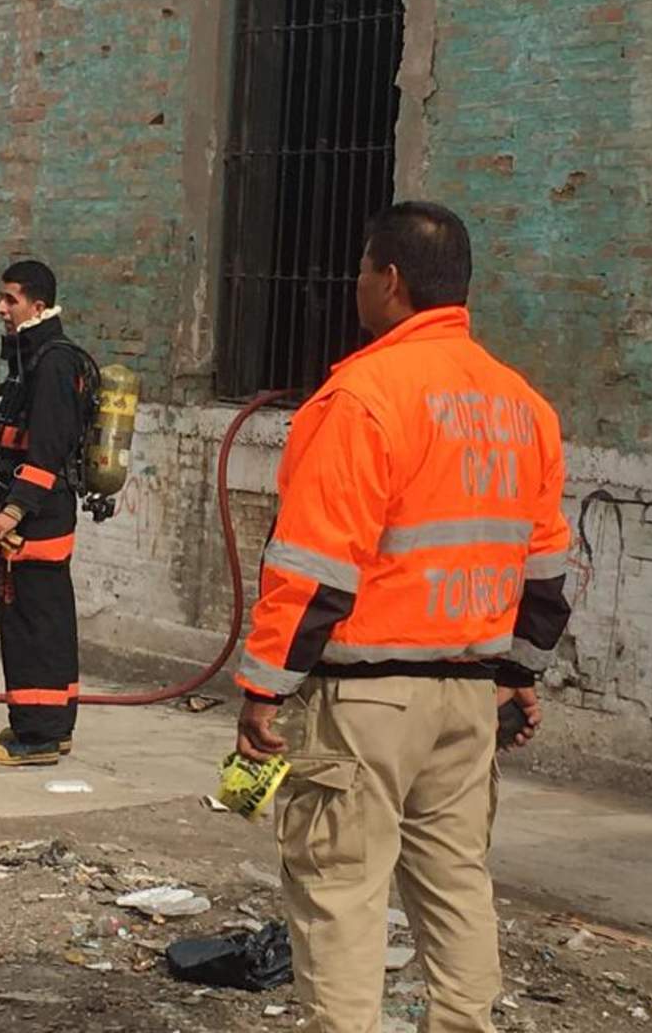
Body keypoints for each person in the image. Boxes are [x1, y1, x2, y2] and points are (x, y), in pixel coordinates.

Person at [234, 202, 572, 1033]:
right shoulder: (522, 405)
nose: (354, 285)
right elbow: (545, 568)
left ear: (389, 280)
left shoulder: (363, 397)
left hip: (367, 701)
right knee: (456, 882)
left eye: (360, 270)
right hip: (468, 697)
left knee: (341, 888)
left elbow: (315, 564)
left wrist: (264, 689)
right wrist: (517, 674)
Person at [0, 260, 89, 767]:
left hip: (37, 517)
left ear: (37, 305)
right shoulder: (37, 357)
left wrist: (14, 511)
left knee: (31, 624)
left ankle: (37, 735)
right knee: (48, 618)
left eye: (11, 299)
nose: (1, 308)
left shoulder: (52, 363)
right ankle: (53, 725)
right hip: (41, 511)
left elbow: (48, 448)